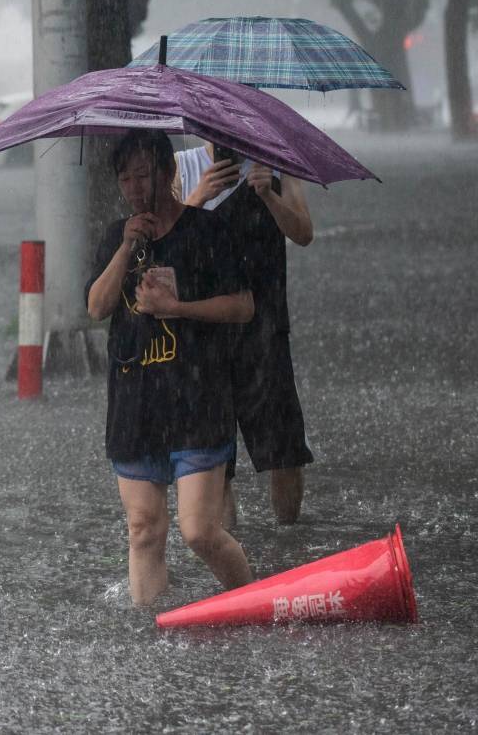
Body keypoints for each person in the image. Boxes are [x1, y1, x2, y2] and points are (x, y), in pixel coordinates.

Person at [86, 129, 256, 606]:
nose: (136, 189)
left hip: (198, 403)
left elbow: (243, 307)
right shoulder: (115, 239)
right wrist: (124, 249)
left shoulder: (208, 231)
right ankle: (150, 642)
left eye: (144, 175)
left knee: (199, 530)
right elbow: (96, 307)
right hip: (135, 408)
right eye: (125, 179)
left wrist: (178, 308)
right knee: (143, 529)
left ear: (169, 171)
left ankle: (256, 605)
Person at [175, 141, 314, 526]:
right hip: (202, 338)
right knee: (214, 465)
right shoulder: (182, 166)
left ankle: (288, 548)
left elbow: (303, 233)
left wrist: (268, 194)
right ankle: (234, 565)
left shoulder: (278, 162)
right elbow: (163, 247)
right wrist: (198, 197)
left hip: (266, 332)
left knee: (284, 452)